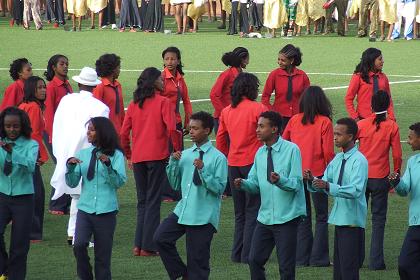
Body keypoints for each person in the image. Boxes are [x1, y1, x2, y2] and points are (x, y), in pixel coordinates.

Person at [154, 111, 227, 280]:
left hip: (203, 216)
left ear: (207, 130)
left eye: (195, 128)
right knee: (160, 238)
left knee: (198, 262)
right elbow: (174, 184)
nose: (191, 132)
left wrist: (203, 170)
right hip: (182, 211)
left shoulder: (218, 158)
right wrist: (172, 162)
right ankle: (181, 274)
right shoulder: (185, 155)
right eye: (190, 128)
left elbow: (219, 188)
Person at [233, 111, 306, 280]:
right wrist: (243, 184)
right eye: (257, 126)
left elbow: (296, 184)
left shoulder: (292, 150)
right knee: (254, 259)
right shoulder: (260, 153)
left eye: (261, 126)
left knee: (286, 267)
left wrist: (280, 181)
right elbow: (255, 184)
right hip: (265, 218)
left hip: (287, 218)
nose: (257, 130)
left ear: (274, 129)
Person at [120, 67, 181, 257]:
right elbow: (172, 129)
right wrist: (177, 149)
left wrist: (129, 154)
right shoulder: (164, 102)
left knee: (143, 202)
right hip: (157, 157)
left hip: (138, 158)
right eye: (160, 79)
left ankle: (138, 245)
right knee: (153, 201)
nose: (163, 82)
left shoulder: (134, 104)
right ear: (154, 82)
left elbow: (123, 133)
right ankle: (148, 246)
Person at [50, 67, 110, 246]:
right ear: (95, 86)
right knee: (84, 195)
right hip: (87, 154)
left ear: (78, 83)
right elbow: (102, 133)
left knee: (77, 195)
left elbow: (57, 124)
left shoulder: (66, 100)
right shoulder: (100, 107)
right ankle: (77, 235)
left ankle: (72, 233)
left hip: (64, 150)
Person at [305, 118, 368, 280]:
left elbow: (355, 190)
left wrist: (327, 186)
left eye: (339, 134)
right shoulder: (337, 159)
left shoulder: (359, 161)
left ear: (351, 136)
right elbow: (326, 181)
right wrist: (312, 180)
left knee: (348, 270)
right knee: (339, 271)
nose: (335, 137)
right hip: (340, 219)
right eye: (334, 134)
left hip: (352, 221)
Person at [216, 73, 267, 264]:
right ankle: (248, 254)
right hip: (253, 164)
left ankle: (236, 253)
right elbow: (264, 135)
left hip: (233, 164)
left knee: (240, 213)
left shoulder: (227, 110)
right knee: (253, 208)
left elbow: (221, 138)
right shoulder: (258, 108)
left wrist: (227, 156)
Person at [66, 117, 126, 280]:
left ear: (102, 132)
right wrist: (70, 167)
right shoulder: (83, 154)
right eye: (88, 129)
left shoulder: (116, 155)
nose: (88, 132)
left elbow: (118, 183)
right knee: (78, 245)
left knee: (103, 256)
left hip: (106, 210)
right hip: (85, 209)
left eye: (92, 129)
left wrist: (108, 165)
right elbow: (72, 183)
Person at [282, 86, 334, 267]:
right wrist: (330, 175)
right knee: (321, 216)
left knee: (303, 216)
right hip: (317, 174)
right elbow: (328, 152)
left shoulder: (295, 120)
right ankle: (319, 258)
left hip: (297, 175)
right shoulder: (324, 122)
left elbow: (285, 144)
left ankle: (301, 257)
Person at [357, 90, 402, 270]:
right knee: (378, 220)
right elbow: (397, 155)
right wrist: (396, 174)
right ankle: (376, 262)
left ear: (371, 105)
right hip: (380, 178)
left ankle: (356, 259)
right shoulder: (392, 126)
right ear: (388, 105)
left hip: (361, 177)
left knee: (358, 219)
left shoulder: (361, 124)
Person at [0, 107, 38, 280]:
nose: (12, 130)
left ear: (22, 126)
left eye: (16, 126)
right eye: (8, 126)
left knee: (19, 245)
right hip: (2, 195)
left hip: (24, 198)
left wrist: (12, 152)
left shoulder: (31, 144)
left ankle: (16, 276)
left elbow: (30, 166)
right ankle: (3, 267)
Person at [18, 76, 49, 242]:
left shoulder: (24, 105)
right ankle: (33, 233)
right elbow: (35, 134)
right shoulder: (34, 108)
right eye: (39, 88)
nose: (43, 90)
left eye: (44, 87)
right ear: (32, 90)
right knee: (37, 194)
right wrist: (43, 155)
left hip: (21, 153)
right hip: (30, 154)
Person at [389, 122, 420, 279]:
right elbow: (405, 189)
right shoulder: (413, 162)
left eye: (411, 138)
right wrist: (397, 182)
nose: (408, 141)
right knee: (405, 264)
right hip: (416, 223)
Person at [44, 54, 73, 215]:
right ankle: (56, 204)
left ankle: (65, 203)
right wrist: (51, 136)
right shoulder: (52, 87)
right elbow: (48, 114)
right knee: (62, 166)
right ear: (54, 67)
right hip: (55, 134)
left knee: (68, 166)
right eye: (62, 64)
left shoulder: (67, 85)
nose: (65, 66)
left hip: (66, 134)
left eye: (67, 63)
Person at [261, 44, 310, 130]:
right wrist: (272, 112)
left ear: (291, 60)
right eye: (278, 59)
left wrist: (305, 114)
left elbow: (308, 99)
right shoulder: (274, 75)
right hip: (279, 119)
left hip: (298, 117)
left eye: (283, 60)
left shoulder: (302, 76)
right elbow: (265, 97)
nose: (279, 62)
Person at [345, 48, 396, 122]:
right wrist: (355, 117)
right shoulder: (358, 76)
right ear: (371, 60)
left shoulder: (383, 77)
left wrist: (391, 117)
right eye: (380, 59)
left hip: (381, 120)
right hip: (363, 119)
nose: (383, 61)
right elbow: (348, 98)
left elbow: (388, 99)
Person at [210, 47, 249, 134]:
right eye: (247, 59)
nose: (248, 62)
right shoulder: (226, 74)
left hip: (237, 117)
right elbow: (214, 95)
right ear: (242, 59)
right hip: (223, 119)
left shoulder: (241, 75)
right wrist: (224, 113)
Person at [160, 47, 192, 140]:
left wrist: (188, 121)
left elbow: (186, 100)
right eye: (167, 59)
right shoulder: (160, 79)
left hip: (176, 121)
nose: (169, 62)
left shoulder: (180, 79)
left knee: (178, 151)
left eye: (173, 59)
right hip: (162, 122)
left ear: (178, 61)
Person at [94, 53, 125, 134]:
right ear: (113, 69)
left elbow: (121, 112)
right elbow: (96, 113)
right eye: (119, 67)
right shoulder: (100, 87)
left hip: (118, 132)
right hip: (105, 133)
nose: (119, 70)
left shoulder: (118, 85)